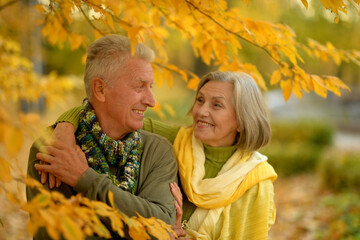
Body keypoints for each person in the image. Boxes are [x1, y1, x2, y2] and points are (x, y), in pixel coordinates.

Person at [52, 71, 278, 239]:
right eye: (200, 100)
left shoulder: (257, 181)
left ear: (241, 120)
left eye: (216, 105)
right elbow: (106, 114)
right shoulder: (176, 139)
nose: (201, 111)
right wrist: (65, 127)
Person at [26, 34, 178, 239]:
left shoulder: (158, 150)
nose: (151, 101)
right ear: (100, 89)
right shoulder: (53, 149)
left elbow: (159, 225)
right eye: (139, 86)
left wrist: (84, 179)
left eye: (151, 87)